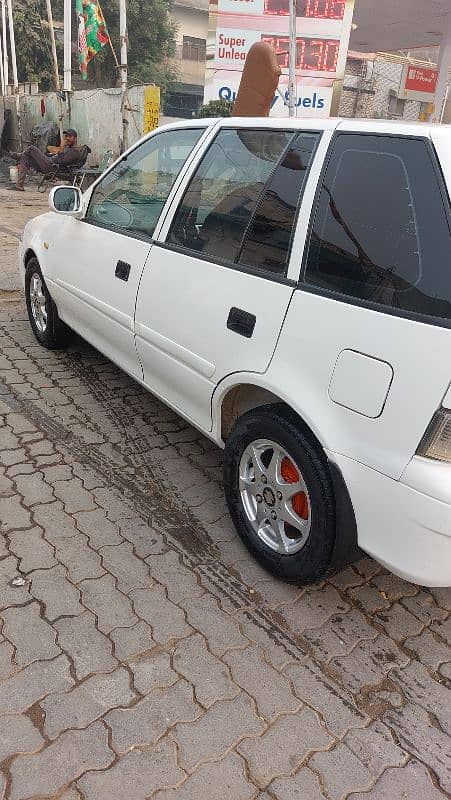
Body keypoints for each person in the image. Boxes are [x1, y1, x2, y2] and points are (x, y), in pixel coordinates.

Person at [9, 129, 81, 191]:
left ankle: (18, 155)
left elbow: (61, 162)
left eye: (70, 136)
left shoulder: (75, 152)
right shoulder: (70, 149)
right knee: (25, 157)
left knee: (32, 148)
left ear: (75, 139)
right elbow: (60, 158)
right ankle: (19, 185)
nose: (67, 138)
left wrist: (61, 147)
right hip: (50, 162)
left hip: (52, 167)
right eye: (66, 136)